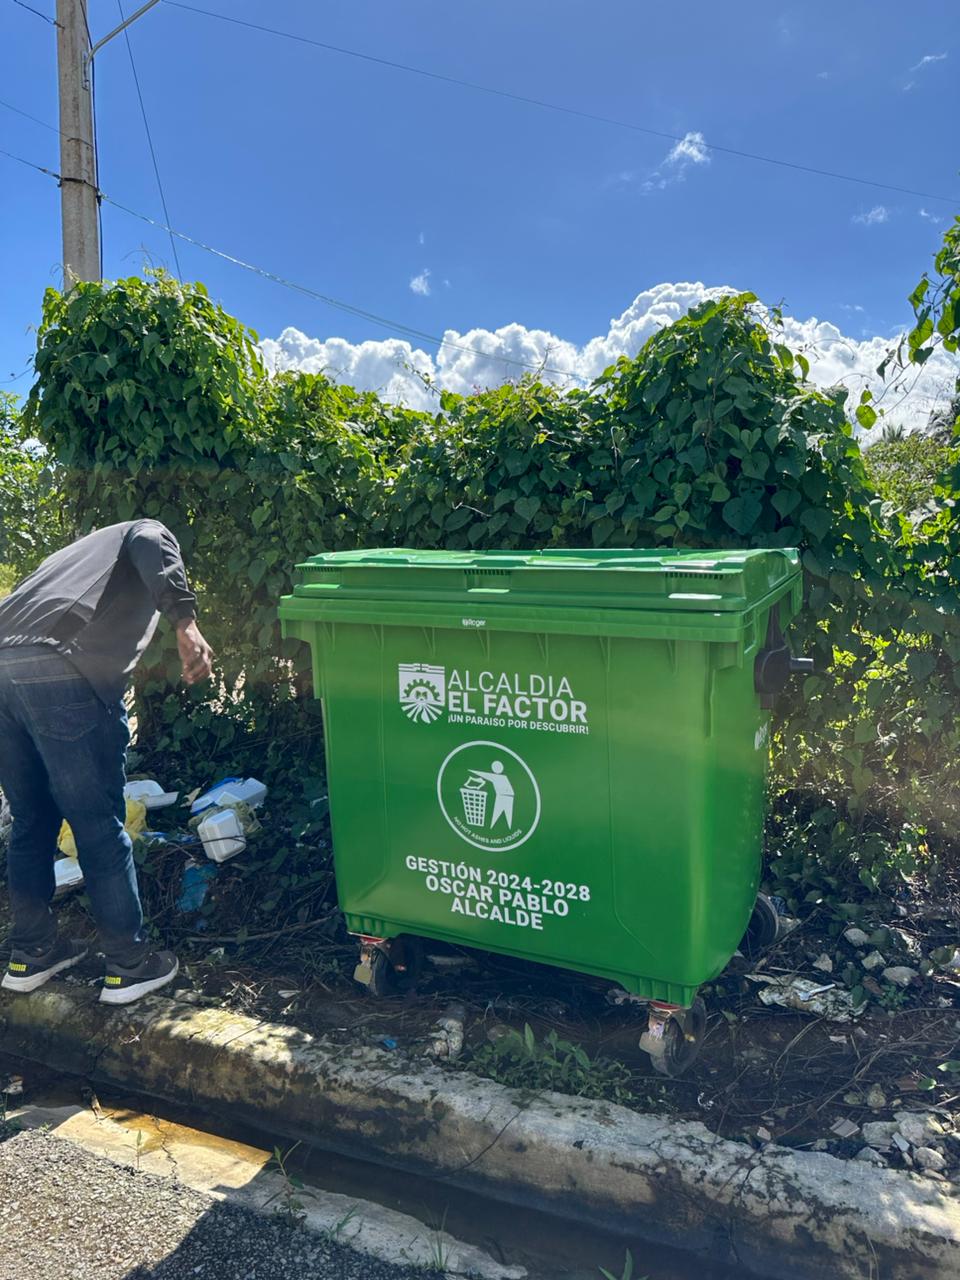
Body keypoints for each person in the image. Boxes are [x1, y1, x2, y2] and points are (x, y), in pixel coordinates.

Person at [0, 520, 213, 1004]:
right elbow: (149, 541)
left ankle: (30, 953)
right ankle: (129, 964)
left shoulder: (65, 559)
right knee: (98, 822)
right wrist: (185, 622)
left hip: (2, 666)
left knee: (31, 820)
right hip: (61, 667)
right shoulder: (141, 531)